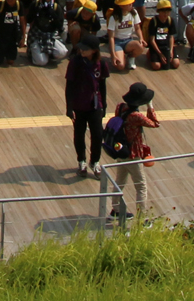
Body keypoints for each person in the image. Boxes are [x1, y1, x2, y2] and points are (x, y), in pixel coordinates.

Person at [107, 82, 159, 222]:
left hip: (120, 149)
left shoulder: (120, 107)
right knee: (141, 186)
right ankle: (142, 218)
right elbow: (155, 123)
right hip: (133, 155)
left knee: (120, 181)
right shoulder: (137, 116)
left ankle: (116, 210)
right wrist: (150, 106)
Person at [65, 37, 110, 177]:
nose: (82, 50)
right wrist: (69, 107)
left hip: (95, 104)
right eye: (81, 48)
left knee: (97, 134)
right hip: (79, 104)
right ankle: (81, 160)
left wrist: (104, 105)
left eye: (85, 49)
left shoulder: (102, 63)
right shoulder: (75, 62)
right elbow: (69, 86)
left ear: (94, 50)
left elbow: (102, 85)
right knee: (79, 133)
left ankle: (95, 161)